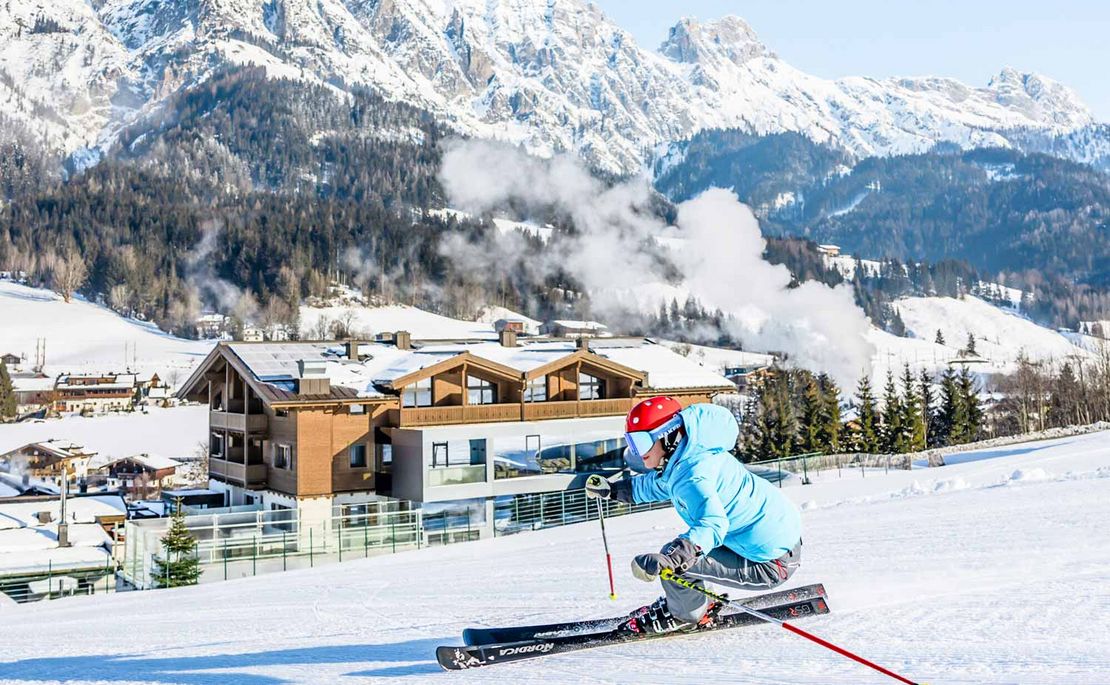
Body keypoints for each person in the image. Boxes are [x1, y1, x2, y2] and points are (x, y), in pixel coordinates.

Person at [586, 396, 802, 634]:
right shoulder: (689, 457)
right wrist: (614, 490)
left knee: (675, 562)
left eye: (642, 441)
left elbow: (713, 524)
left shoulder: (694, 475)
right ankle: (687, 601)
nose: (638, 452)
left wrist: (674, 558)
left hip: (770, 563)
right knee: (679, 555)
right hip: (776, 541)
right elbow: (656, 485)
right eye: (632, 443)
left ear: (667, 436)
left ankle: (686, 615)